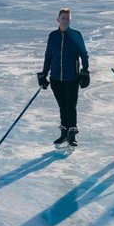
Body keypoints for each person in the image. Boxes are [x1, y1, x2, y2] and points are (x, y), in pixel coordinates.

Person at [38, 8, 90, 147]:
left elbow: (84, 54)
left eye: (67, 18)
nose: (65, 21)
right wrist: (44, 73)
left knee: (70, 106)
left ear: (70, 20)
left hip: (72, 78)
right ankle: (64, 133)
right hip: (56, 78)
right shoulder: (53, 36)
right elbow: (48, 56)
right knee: (62, 106)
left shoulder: (76, 35)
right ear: (58, 20)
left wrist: (85, 71)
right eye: (63, 18)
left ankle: (72, 134)